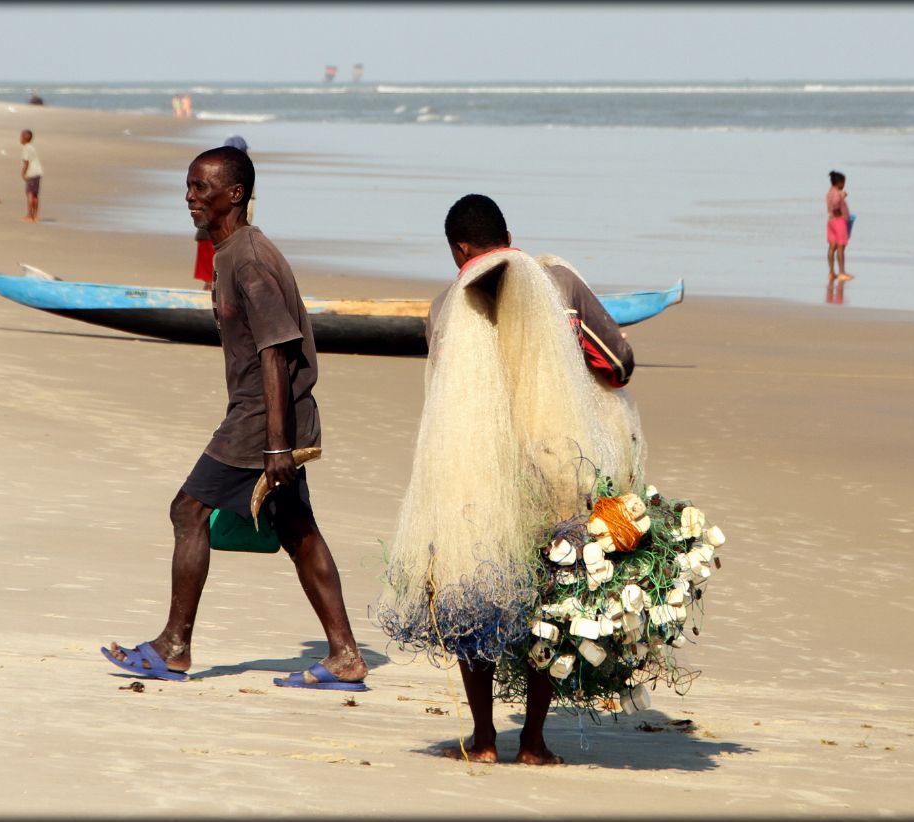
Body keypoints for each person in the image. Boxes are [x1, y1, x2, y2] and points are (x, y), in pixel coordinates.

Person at [377, 194, 644, 765]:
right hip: (555, 472)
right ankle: (534, 741)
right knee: (550, 602)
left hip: (476, 477)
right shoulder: (560, 284)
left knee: (477, 592)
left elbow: (446, 406)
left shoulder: (445, 307)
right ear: (508, 234)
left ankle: (482, 738)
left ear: (460, 250)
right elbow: (618, 363)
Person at [102, 146, 369, 691]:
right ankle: (344, 656)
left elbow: (277, 349)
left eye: (201, 187)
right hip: (275, 415)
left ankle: (174, 645)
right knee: (296, 529)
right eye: (189, 186)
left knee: (188, 509)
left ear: (235, 194)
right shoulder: (230, 252)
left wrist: (275, 445)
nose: (190, 197)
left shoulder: (247, 257)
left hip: (261, 419)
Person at [192, 136, 255, 290]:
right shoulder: (241, 176)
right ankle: (210, 308)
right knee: (215, 277)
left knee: (214, 277)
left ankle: (209, 306)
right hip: (217, 233)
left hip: (211, 230)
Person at [826, 170, 854, 282]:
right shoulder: (838, 193)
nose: (844, 185)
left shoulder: (829, 192)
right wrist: (842, 195)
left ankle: (831, 272)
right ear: (839, 183)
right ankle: (842, 272)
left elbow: (831, 203)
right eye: (843, 183)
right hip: (839, 222)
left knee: (832, 247)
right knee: (841, 247)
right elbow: (835, 203)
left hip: (831, 221)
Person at [19, 129, 42, 222]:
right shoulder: (32, 147)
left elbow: (26, 162)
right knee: (35, 195)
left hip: (31, 173)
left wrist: (23, 173)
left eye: (21, 137)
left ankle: (30, 215)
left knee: (29, 194)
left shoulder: (25, 148)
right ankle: (35, 215)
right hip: (38, 172)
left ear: (24, 138)